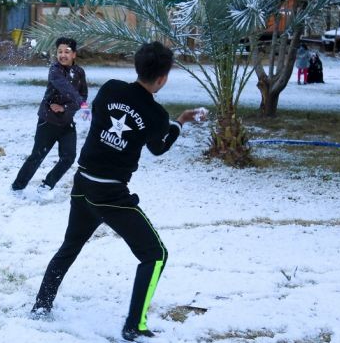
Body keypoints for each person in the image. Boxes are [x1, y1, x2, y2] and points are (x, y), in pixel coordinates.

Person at [30, 41, 205, 341]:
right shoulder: (156, 115)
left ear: (137, 66)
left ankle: (41, 306)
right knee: (155, 254)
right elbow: (158, 147)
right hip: (111, 195)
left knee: (69, 248)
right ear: (162, 78)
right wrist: (179, 122)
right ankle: (134, 325)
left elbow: (100, 116)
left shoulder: (110, 88)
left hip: (82, 184)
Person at [12, 37, 88, 191]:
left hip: (67, 122)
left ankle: (47, 185)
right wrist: (81, 104)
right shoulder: (55, 70)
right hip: (48, 121)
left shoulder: (79, 72)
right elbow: (66, 88)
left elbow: (83, 95)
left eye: (67, 52)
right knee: (37, 156)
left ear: (74, 54)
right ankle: (17, 187)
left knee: (68, 158)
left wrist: (66, 107)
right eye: (59, 52)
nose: (62, 55)